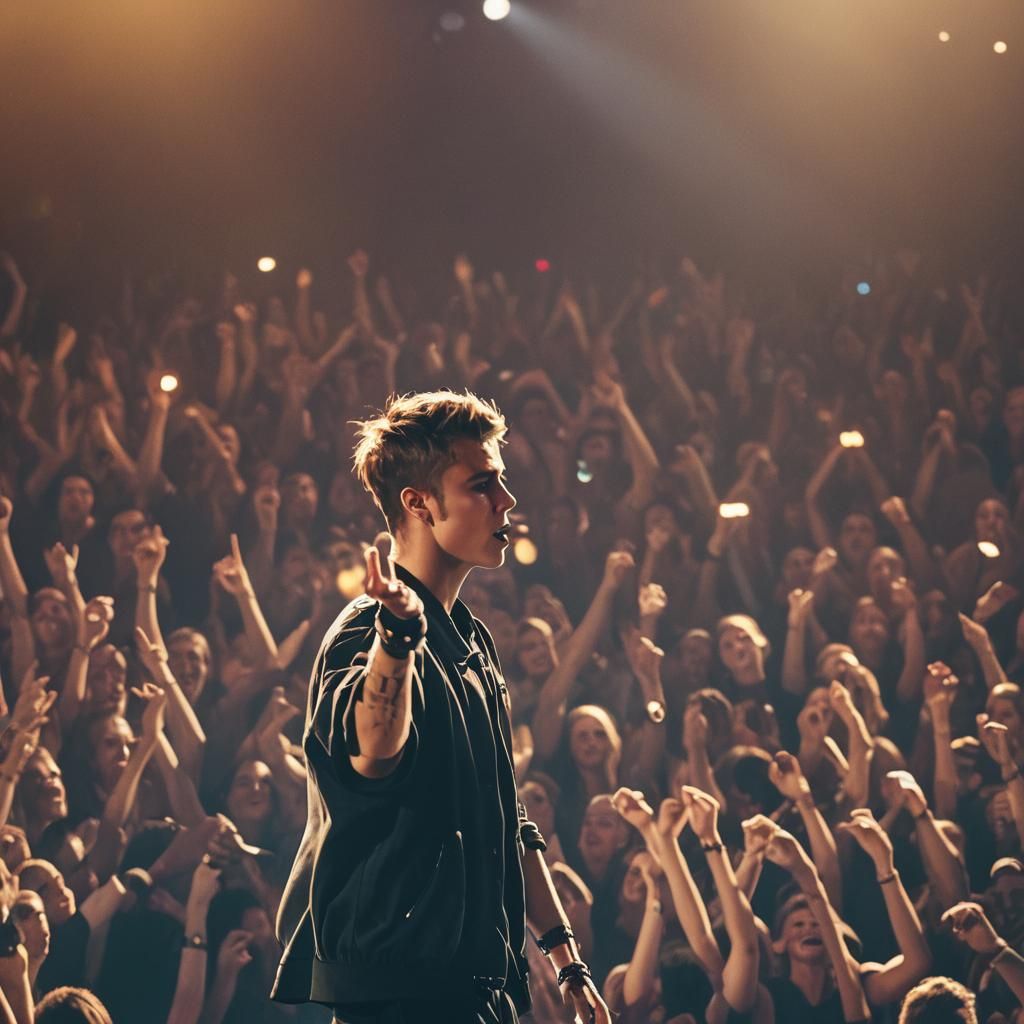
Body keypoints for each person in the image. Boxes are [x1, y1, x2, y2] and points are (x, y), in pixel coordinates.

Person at [272, 391, 610, 1024]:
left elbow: (506, 816)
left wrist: (566, 960)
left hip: (479, 987)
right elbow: (373, 753)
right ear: (419, 502)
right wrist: (397, 639)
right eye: (483, 485)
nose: (506, 502)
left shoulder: (474, 638)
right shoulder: (367, 633)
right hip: (400, 995)